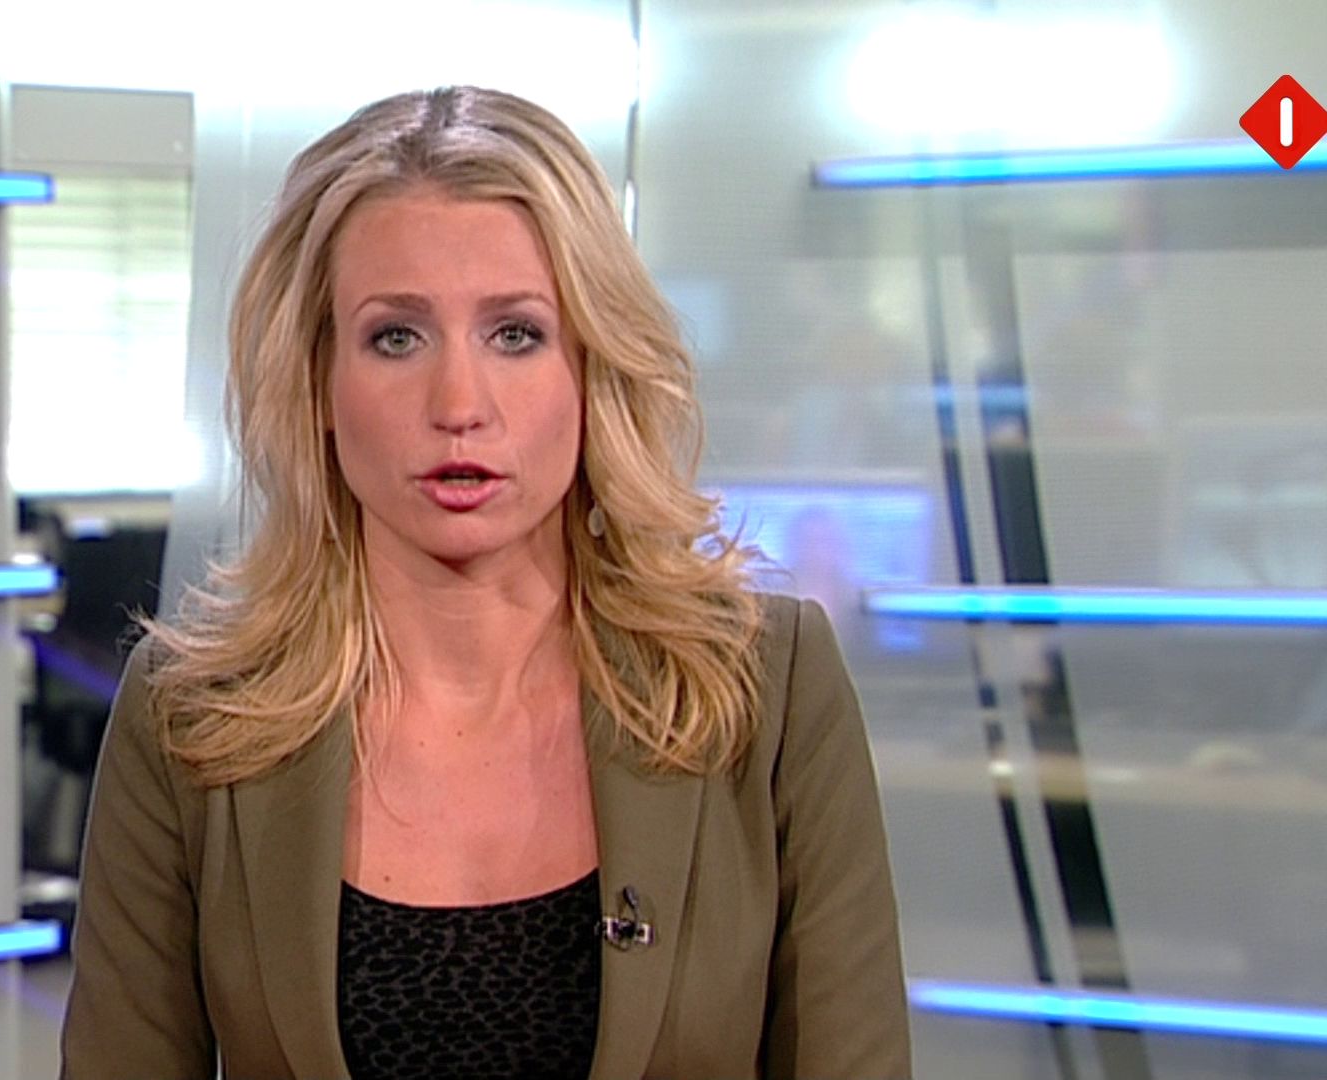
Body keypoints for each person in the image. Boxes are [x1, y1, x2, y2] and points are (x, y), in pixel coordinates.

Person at [59, 85, 911, 1080]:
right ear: (319, 380)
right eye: (396, 337)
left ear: (591, 365)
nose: (459, 404)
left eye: (515, 334)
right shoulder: (191, 722)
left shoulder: (767, 689)